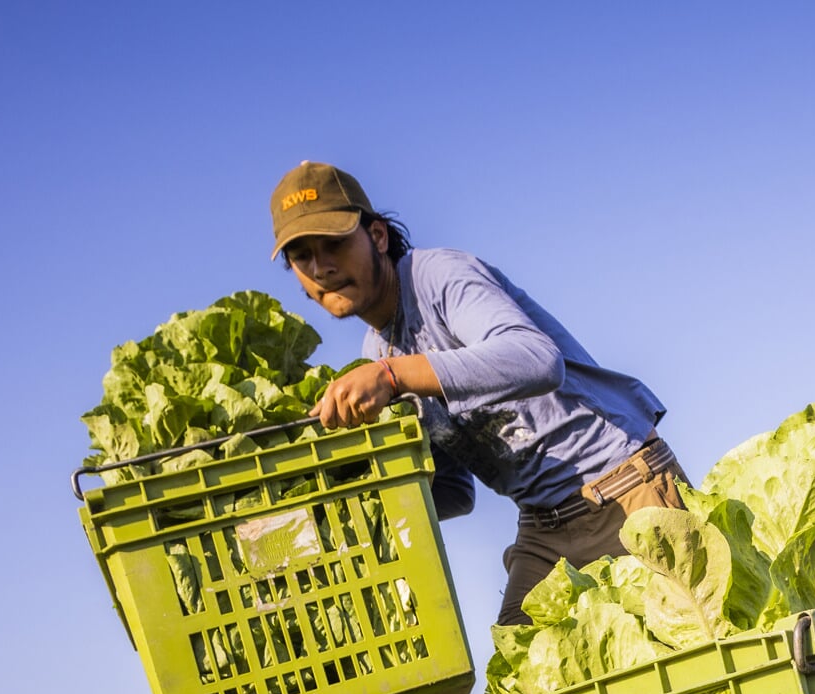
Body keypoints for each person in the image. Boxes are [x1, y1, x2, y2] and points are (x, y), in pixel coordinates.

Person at [266, 161, 685, 625]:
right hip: (544, 528)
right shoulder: (376, 350)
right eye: (303, 256)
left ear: (378, 237)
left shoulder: (437, 277)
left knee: (681, 660)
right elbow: (454, 489)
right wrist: (360, 513)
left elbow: (536, 359)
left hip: (624, 491)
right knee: (522, 683)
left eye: (336, 244)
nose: (322, 266)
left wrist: (391, 376)